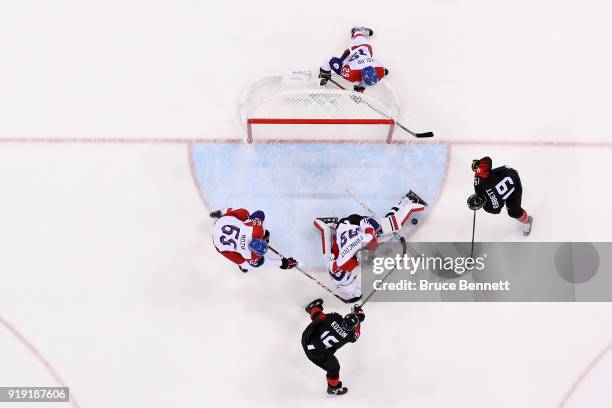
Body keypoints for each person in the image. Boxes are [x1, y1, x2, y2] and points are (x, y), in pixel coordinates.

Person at [313, 191, 427, 302]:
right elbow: (333, 265)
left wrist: (377, 225)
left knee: (390, 227)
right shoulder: (342, 263)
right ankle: (325, 227)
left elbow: (366, 222)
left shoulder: (366, 239)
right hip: (343, 229)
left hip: (354, 221)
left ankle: (408, 200)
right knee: (331, 257)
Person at [301, 298, 365, 396]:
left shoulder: (335, 317)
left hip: (307, 339)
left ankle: (313, 308)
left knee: (321, 318)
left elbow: (325, 318)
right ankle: (332, 389)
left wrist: (355, 313)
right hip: (317, 355)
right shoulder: (351, 336)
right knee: (334, 368)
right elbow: (357, 332)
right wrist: (360, 316)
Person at [210, 208, 298, 272]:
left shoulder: (255, 232)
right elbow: (261, 263)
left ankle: (223, 212)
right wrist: (282, 263)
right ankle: (243, 267)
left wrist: (282, 263)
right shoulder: (248, 254)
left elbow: (259, 214)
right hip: (218, 240)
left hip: (222, 222)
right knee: (244, 264)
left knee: (244, 213)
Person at [467, 157, 533, 236]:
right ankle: (527, 220)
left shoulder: (479, 182)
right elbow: (498, 209)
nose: (480, 199)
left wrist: (479, 165)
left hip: (510, 175)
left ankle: (526, 220)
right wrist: (479, 167)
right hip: (513, 188)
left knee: (513, 211)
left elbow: (487, 160)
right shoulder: (478, 182)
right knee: (513, 212)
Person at [319, 26, 389, 92]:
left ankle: (358, 33)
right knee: (331, 62)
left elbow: (378, 74)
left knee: (365, 44)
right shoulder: (350, 73)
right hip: (351, 53)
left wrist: (360, 88)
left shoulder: (380, 70)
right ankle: (357, 31)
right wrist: (325, 74)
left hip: (364, 49)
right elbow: (328, 60)